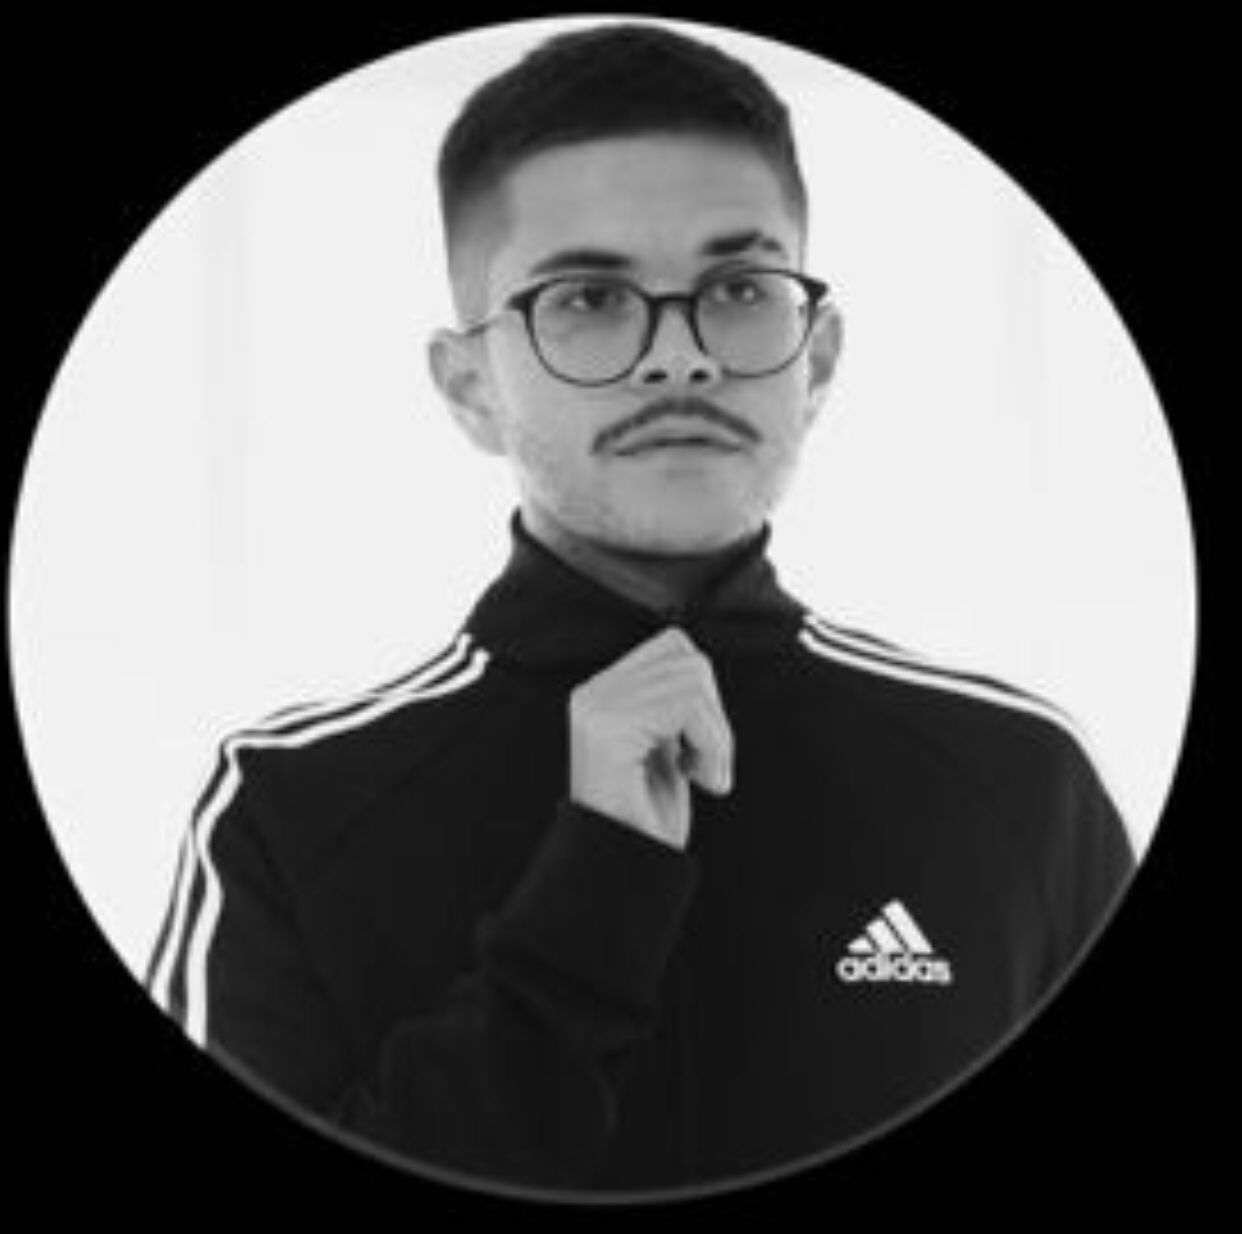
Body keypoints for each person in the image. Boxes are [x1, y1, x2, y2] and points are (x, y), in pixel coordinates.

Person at [145, 22, 1135, 1195]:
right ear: (469, 386)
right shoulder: (285, 807)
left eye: (740, 288)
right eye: (590, 297)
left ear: (816, 358)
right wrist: (597, 885)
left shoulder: (1023, 782)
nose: (679, 358)